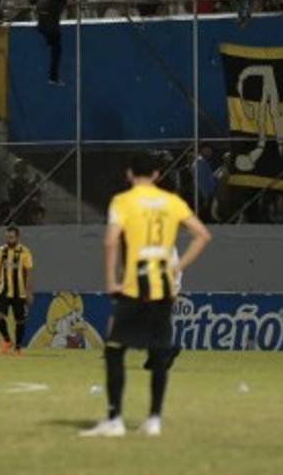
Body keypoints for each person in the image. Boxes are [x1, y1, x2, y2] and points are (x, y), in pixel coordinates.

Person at [80, 152, 211, 438]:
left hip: (134, 284)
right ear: (156, 175)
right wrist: (178, 265)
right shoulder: (172, 202)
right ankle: (154, 420)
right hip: (162, 286)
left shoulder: (123, 201)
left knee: (114, 350)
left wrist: (110, 280)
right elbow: (202, 235)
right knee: (160, 353)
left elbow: (110, 241)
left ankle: (115, 419)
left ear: (129, 174)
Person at [0, 225, 34, 354]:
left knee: (20, 321)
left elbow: (29, 273)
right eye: (7, 237)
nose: (9, 240)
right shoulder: (1, 251)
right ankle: (7, 340)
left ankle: (18, 348)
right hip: (3, 290)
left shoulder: (25, 252)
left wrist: (29, 292)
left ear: (18, 237)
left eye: (11, 237)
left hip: (20, 292)